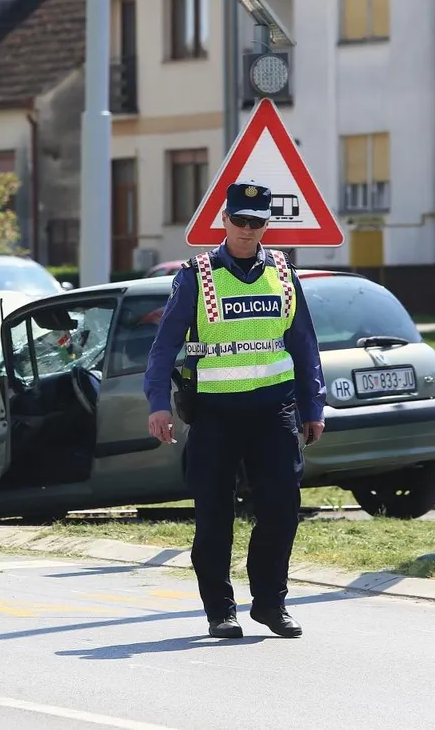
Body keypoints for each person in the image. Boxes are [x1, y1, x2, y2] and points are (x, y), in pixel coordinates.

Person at [143, 179, 326, 639]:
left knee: (281, 509)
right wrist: (157, 405)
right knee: (214, 515)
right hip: (216, 415)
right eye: (239, 221)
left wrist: (313, 406)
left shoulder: (282, 272)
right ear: (224, 220)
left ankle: (270, 604)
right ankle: (220, 611)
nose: (247, 230)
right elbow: (163, 348)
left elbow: (304, 345)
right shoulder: (196, 275)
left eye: (256, 223)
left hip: (275, 412)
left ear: (267, 225)